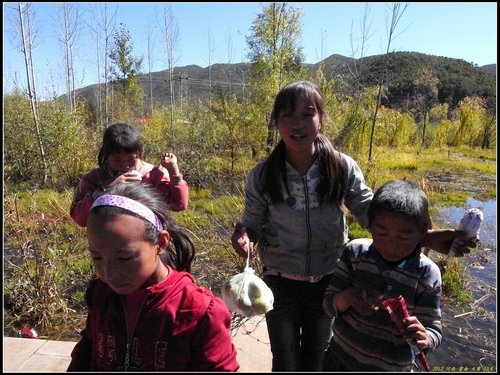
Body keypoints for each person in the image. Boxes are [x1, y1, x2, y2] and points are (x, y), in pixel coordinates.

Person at [230, 80, 474, 371]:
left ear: (320, 119)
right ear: (276, 123)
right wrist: (246, 238)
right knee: (284, 357)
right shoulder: (263, 175)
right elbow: (253, 223)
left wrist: (425, 237)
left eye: (307, 114)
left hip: (328, 279)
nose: (297, 124)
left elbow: (371, 213)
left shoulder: (339, 166)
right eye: (288, 116)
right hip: (279, 282)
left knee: (318, 356)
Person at [67, 182, 239, 371]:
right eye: (97, 256)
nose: (109, 272)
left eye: (124, 258)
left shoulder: (198, 311)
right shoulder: (101, 293)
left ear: (160, 242)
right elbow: (89, 347)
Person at [322, 179, 442, 371]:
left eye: (404, 237)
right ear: (370, 225)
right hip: (339, 359)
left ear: (423, 231)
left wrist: (425, 337)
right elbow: (328, 306)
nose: (391, 246)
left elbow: (434, 328)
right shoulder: (355, 254)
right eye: (381, 232)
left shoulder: (426, 273)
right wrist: (349, 297)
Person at [70, 122, 188, 227]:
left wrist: (174, 171)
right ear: (105, 155)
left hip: (148, 243)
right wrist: (106, 189)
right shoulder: (94, 179)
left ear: (139, 154)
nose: (125, 166)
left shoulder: (153, 175)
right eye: (117, 160)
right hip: (108, 245)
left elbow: (178, 205)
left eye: (131, 161)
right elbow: (80, 219)